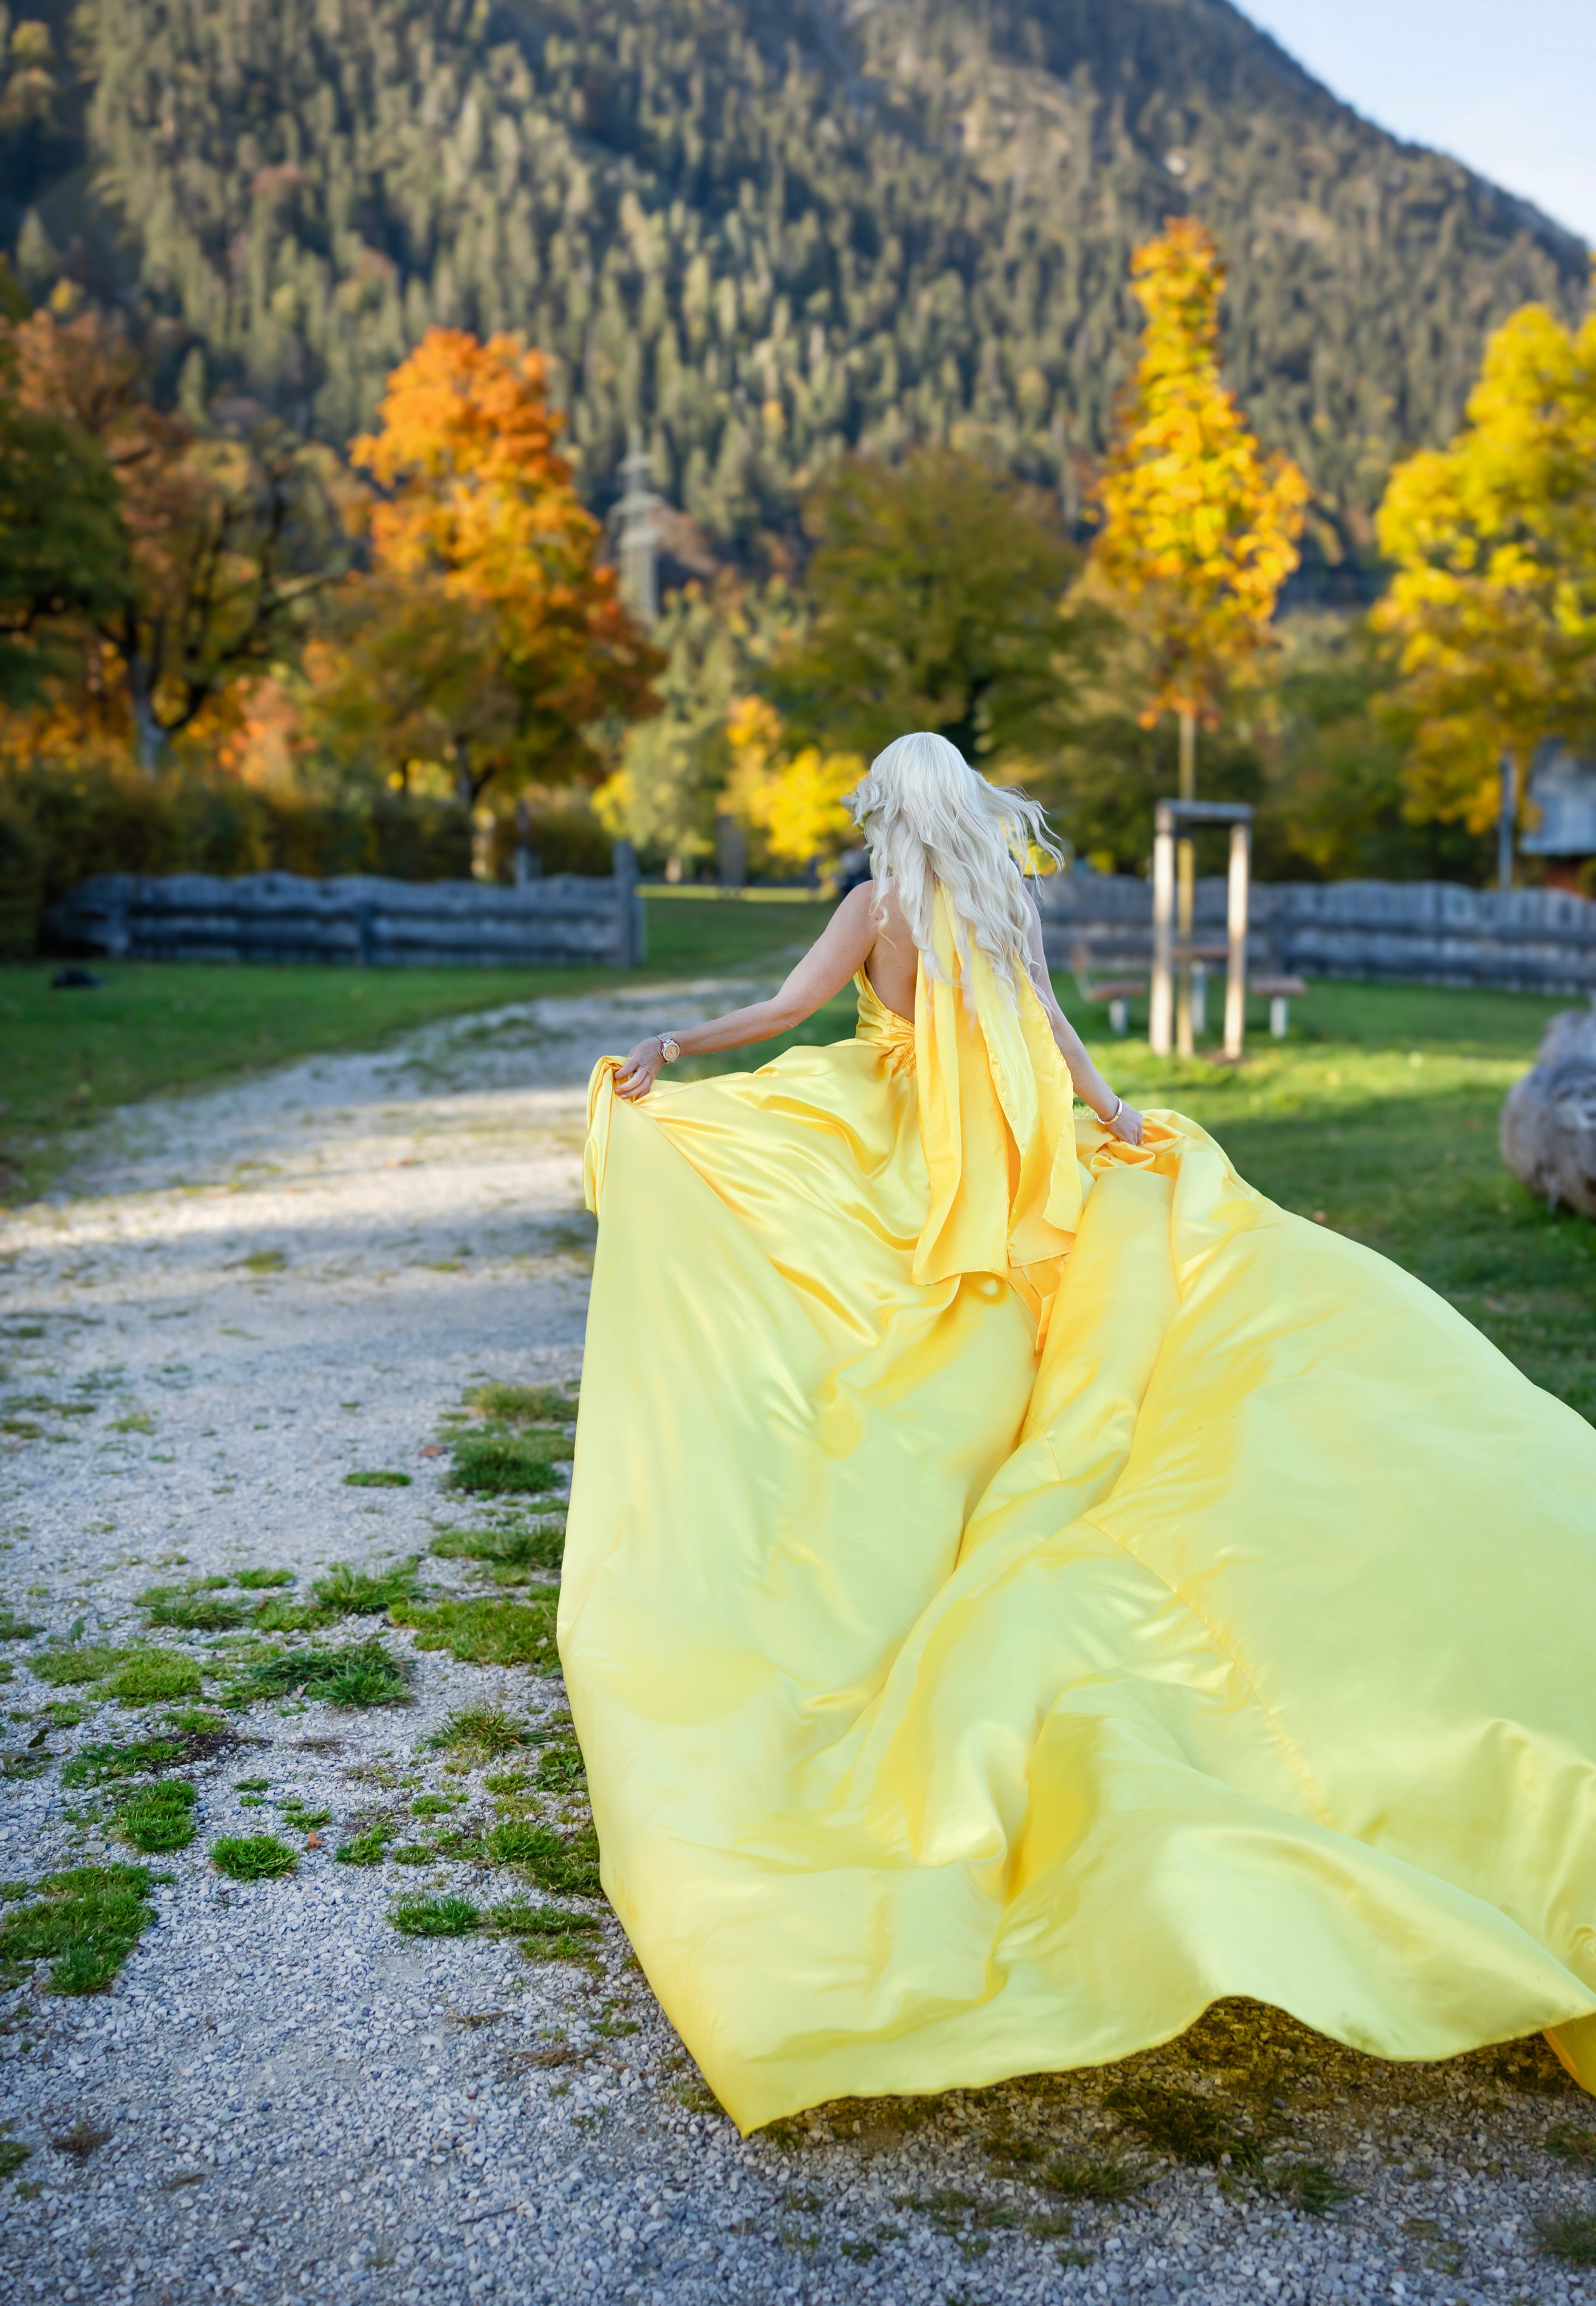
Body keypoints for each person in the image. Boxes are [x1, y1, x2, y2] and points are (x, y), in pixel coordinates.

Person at [560, 729, 1596, 2138]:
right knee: (1038, 1338)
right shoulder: (996, 906)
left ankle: (889, 1514)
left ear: (887, 814)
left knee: (861, 1311)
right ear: (965, 812)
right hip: (1013, 1162)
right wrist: (1114, 1120)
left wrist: (672, 1051)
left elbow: (789, 1012)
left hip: (909, 1157)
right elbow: (1049, 1035)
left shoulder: (876, 913)